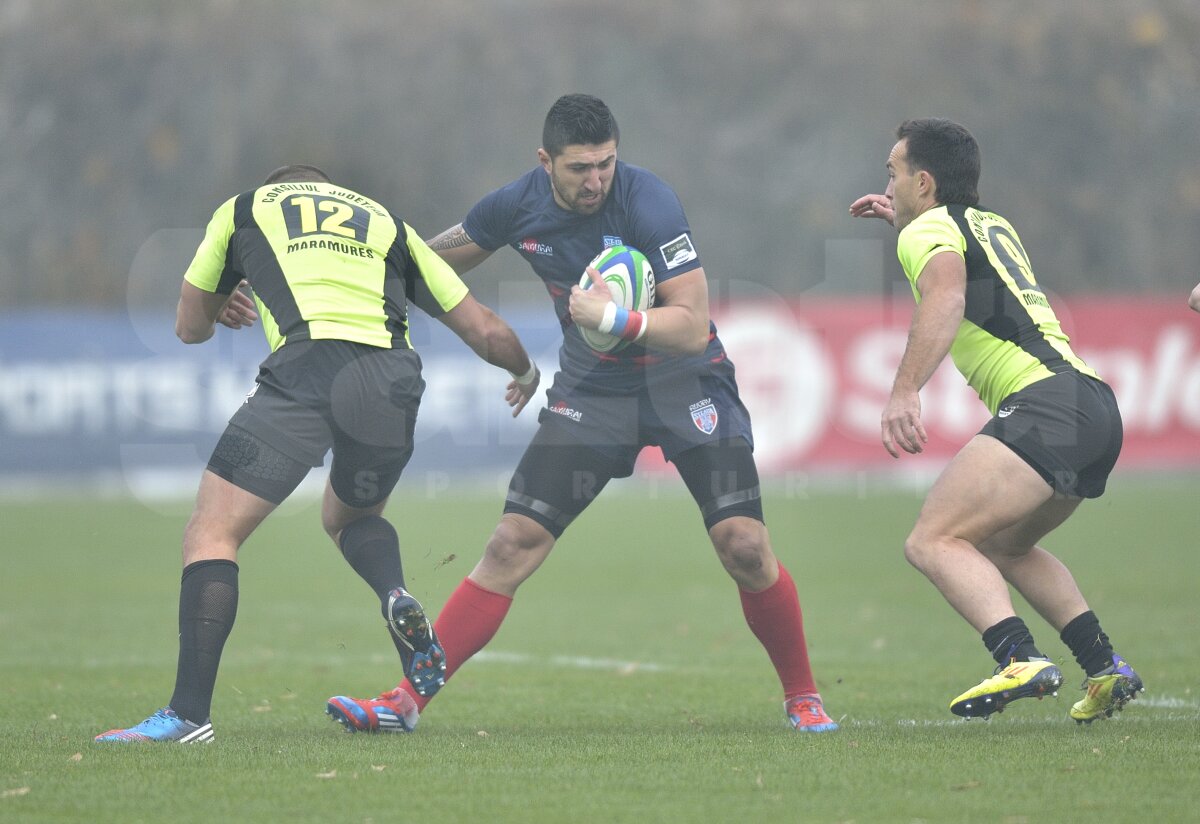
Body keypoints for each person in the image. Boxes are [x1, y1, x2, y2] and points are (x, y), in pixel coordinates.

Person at [327, 94, 839, 733]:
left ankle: (803, 697)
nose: (596, 180)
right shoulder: (514, 206)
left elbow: (692, 325)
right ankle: (405, 702)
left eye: (606, 164)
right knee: (511, 543)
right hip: (594, 397)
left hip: (687, 385)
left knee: (744, 545)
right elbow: (418, 264)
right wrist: (311, 276)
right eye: (579, 168)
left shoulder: (649, 202)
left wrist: (615, 318)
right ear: (545, 162)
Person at [95, 164, 540, 742]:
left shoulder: (245, 208)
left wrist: (219, 303)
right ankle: (395, 593)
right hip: (391, 381)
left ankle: (187, 714)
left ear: (282, 184)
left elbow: (187, 327)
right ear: (329, 188)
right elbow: (485, 330)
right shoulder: (385, 222)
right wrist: (525, 370)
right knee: (349, 517)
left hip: (306, 374)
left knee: (212, 533)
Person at [849, 119, 1143, 722]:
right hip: (1093, 404)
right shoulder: (987, 222)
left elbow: (947, 297)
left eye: (894, 172)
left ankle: (1017, 655)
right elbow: (961, 264)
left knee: (932, 540)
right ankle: (1105, 666)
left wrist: (904, 390)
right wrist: (906, 220)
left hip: (1045, 404)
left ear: (923, 181)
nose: (889, 181)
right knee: (1006, 545)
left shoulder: (929, 227)